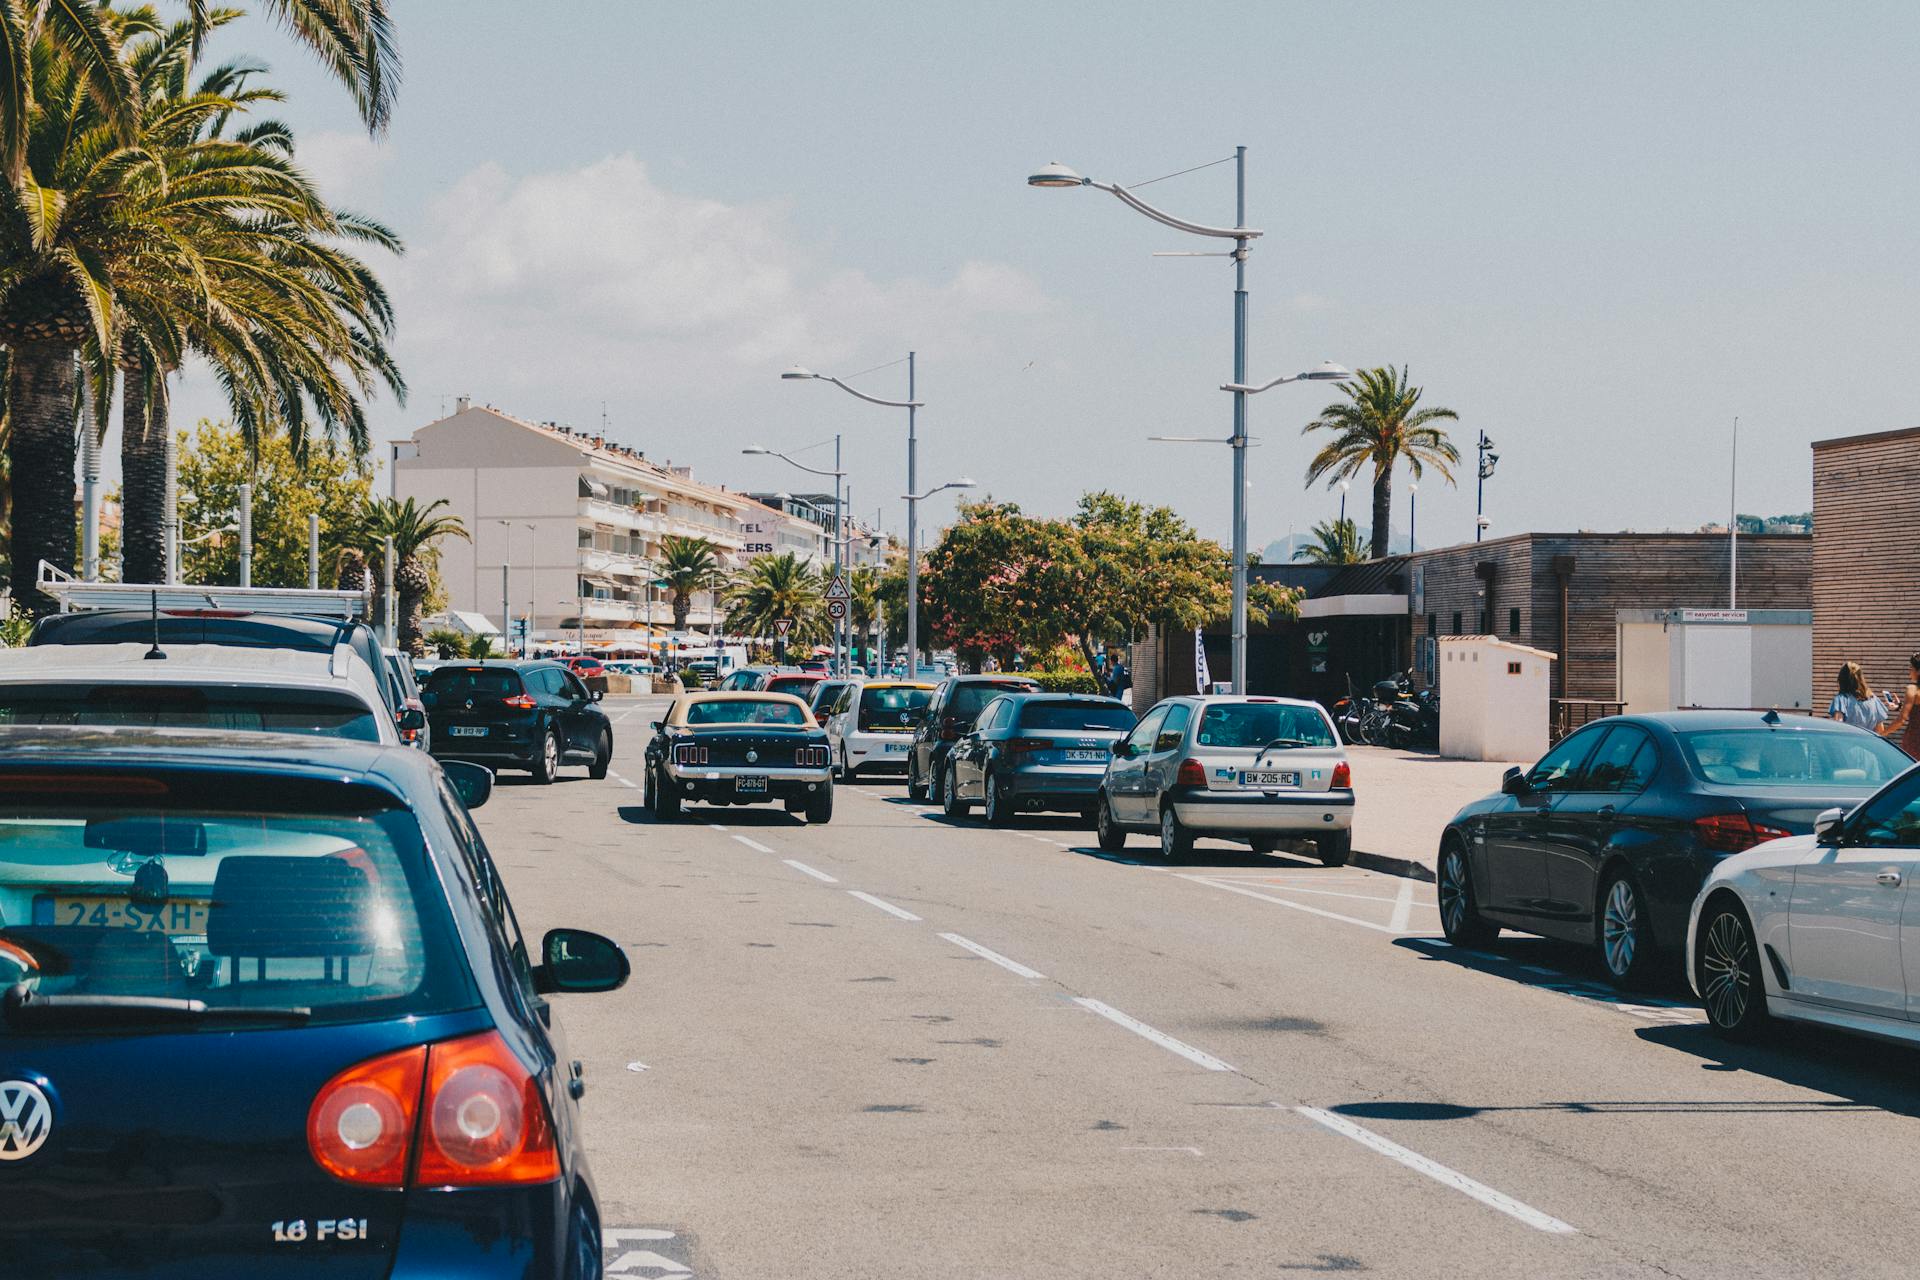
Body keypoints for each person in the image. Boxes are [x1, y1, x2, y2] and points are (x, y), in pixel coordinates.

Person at [1829, 661, 1889, 732]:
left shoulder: (1841, 699)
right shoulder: (1873, 699)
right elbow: (1880, 730)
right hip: (1869, 742)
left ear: (1842, 679)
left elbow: (1838, 728)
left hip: (1849, 742)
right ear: (1861, 678)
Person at [1880, 654, 1920, 758]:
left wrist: (1883, 734)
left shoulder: (1912, 689)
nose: (1909, 672)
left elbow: (1902, 719)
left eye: (1911, 668)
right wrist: (1899, 707)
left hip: (1914, 742)